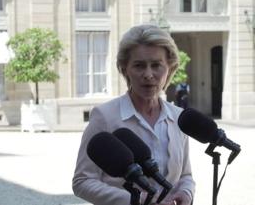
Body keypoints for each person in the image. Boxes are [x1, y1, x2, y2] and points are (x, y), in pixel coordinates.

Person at [72, 25, 195, 205]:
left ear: (169, 67)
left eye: (156, 65)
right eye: (139, 65)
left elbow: (185, 175)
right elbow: (82, 181)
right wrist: (135, 200)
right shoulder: (104, 116)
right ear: (125, 69)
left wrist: (186, 192)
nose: (148, 74)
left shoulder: (178, 117)